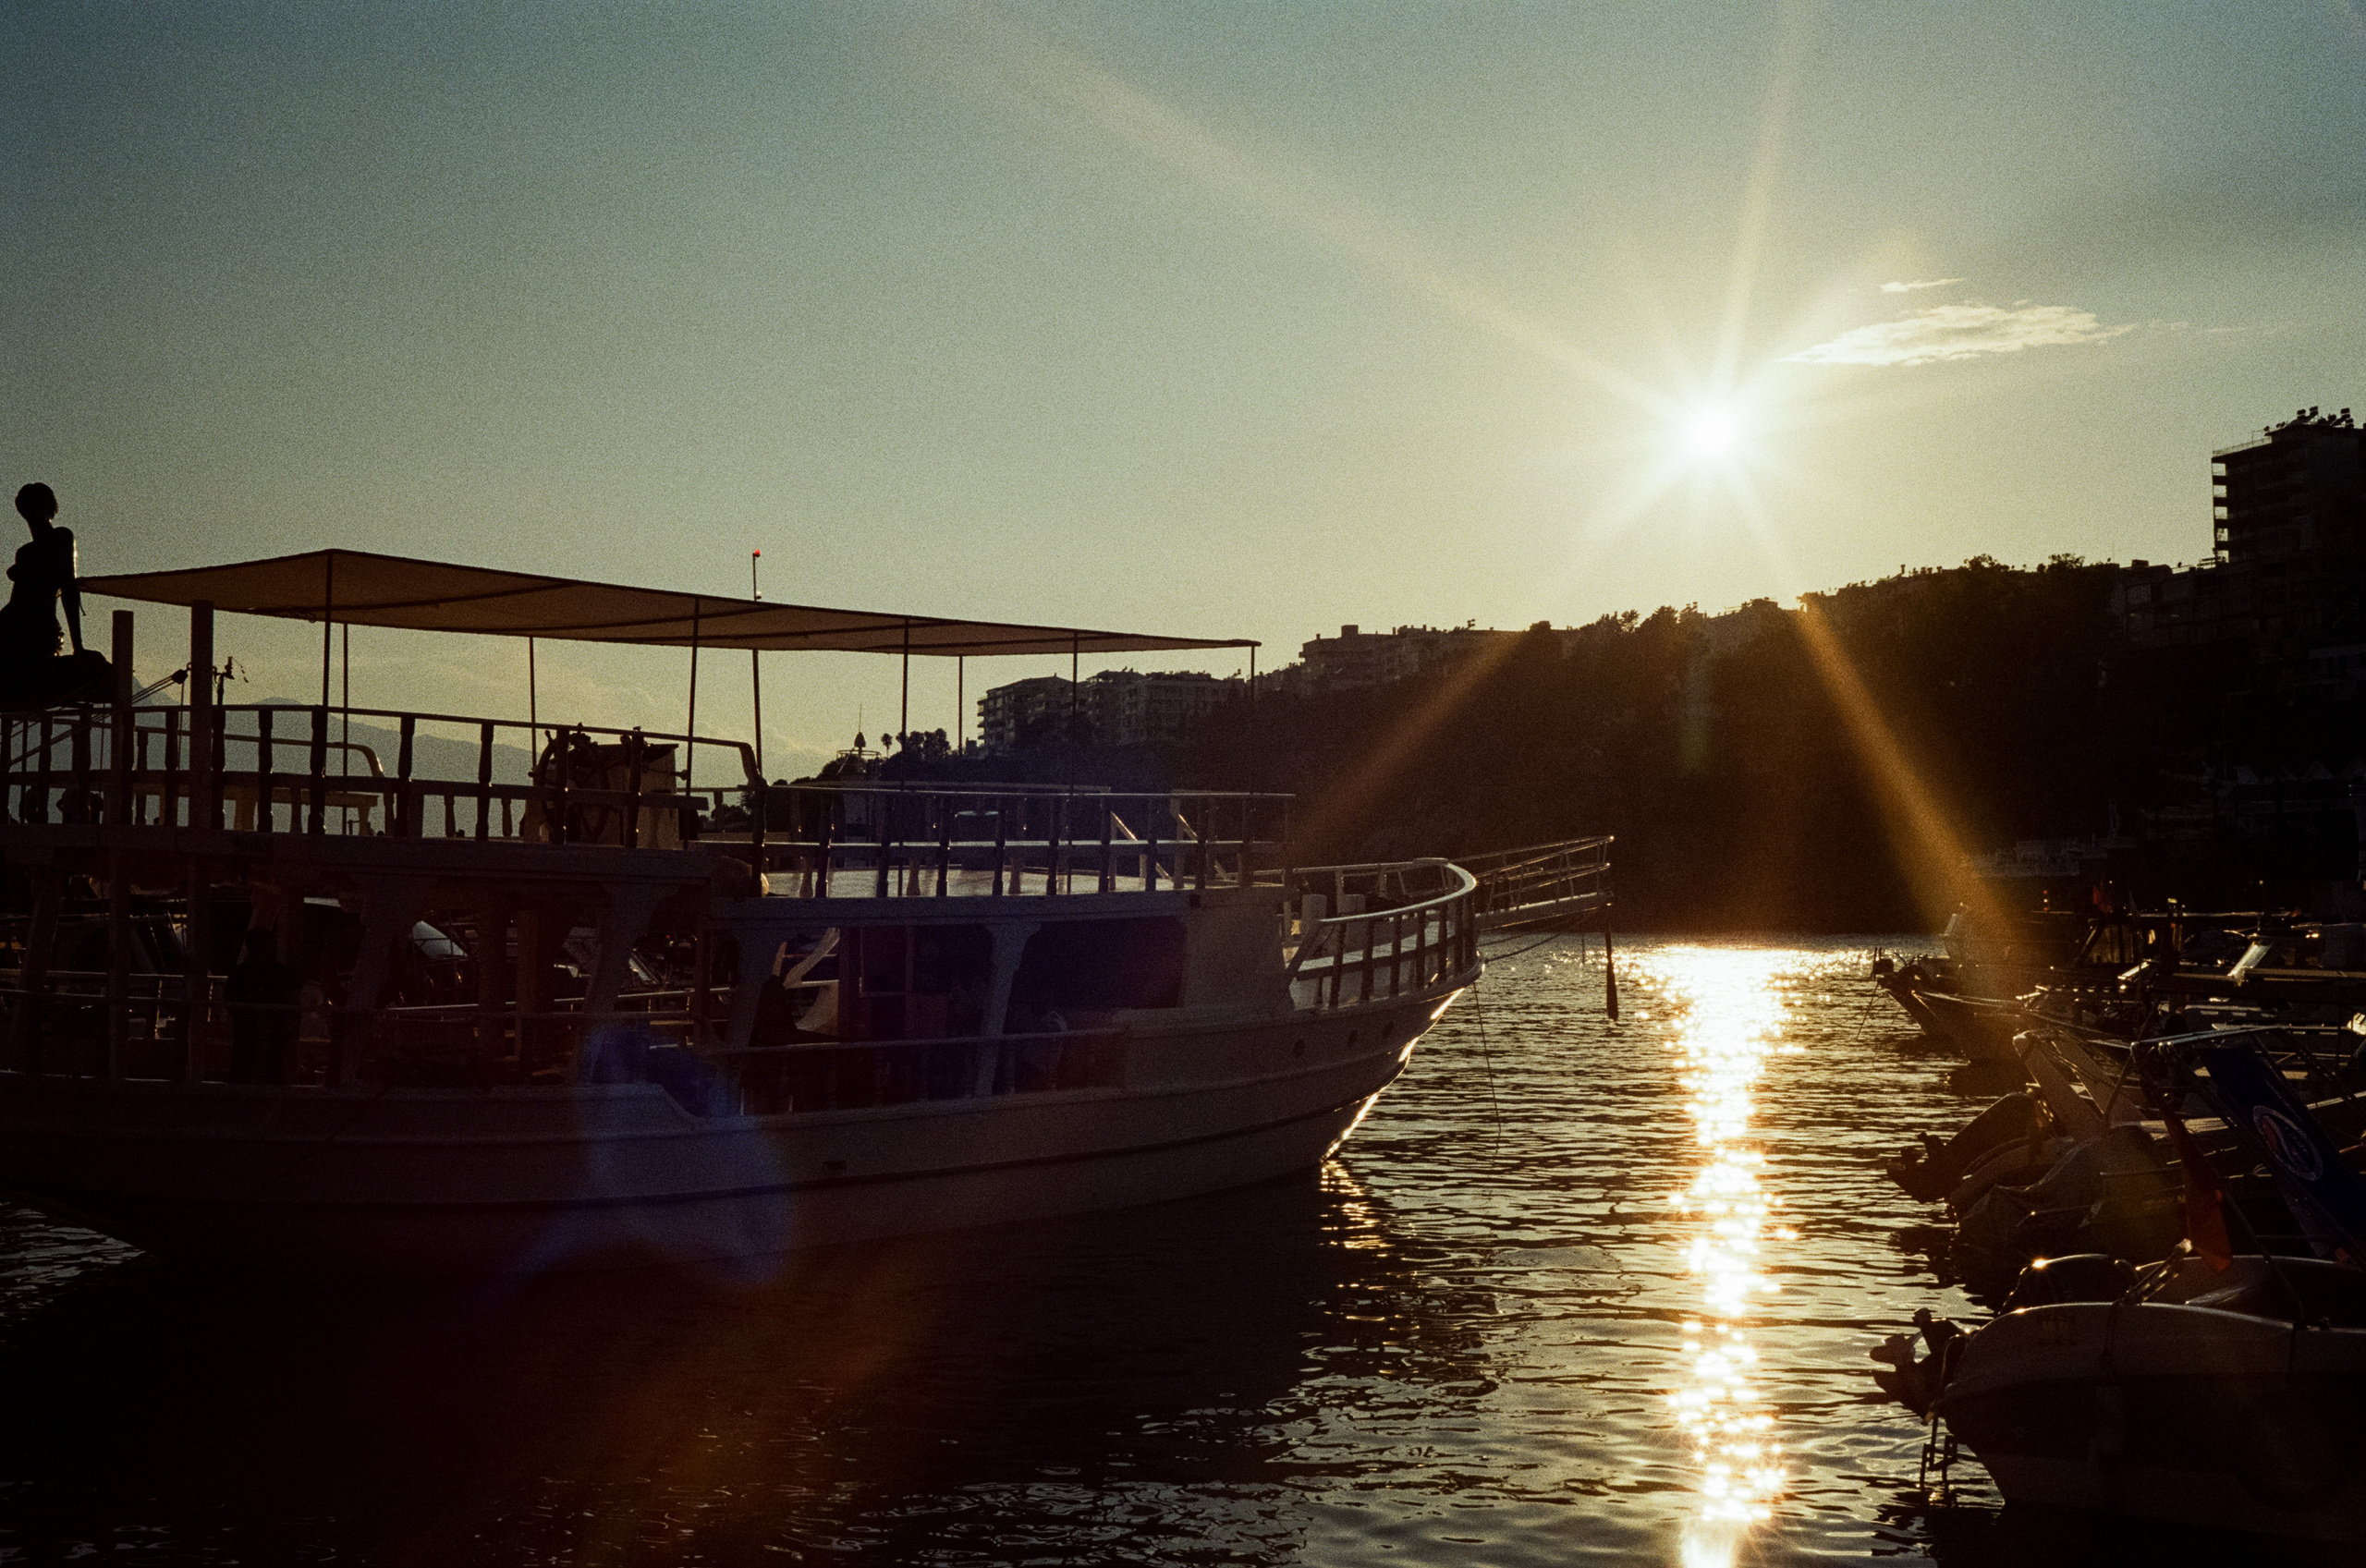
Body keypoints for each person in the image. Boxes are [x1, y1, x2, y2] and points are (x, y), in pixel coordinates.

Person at [0, 483, 106, 709]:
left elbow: (69, 589)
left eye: (38, 507)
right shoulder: (24, 552)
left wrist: (78, 646)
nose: (34, 513)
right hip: (12, 623)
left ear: (49, 509)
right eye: (29, 508)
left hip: (39, 628)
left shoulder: (61, 537)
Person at [225, 928, 302, 1085]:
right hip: (259, 1028)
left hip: (251, 1028)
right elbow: (296, 981)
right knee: (267, 1065)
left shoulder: (241, 972)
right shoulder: (276, 971)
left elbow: (229, 998)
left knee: (248, 1063)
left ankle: (242, 1088)